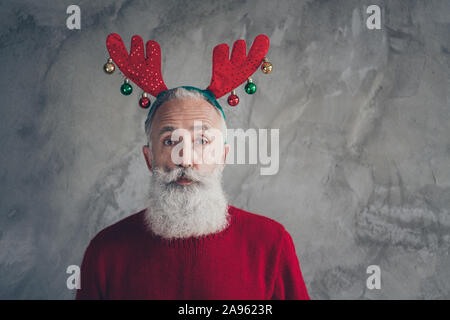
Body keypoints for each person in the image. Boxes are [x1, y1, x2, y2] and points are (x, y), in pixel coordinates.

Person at [76, 34, 309, 300]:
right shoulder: (106, 252)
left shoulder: (271, 243)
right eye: (169, 141)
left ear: (222, 156)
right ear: (149, 158)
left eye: (201, 140)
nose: (185, 159)